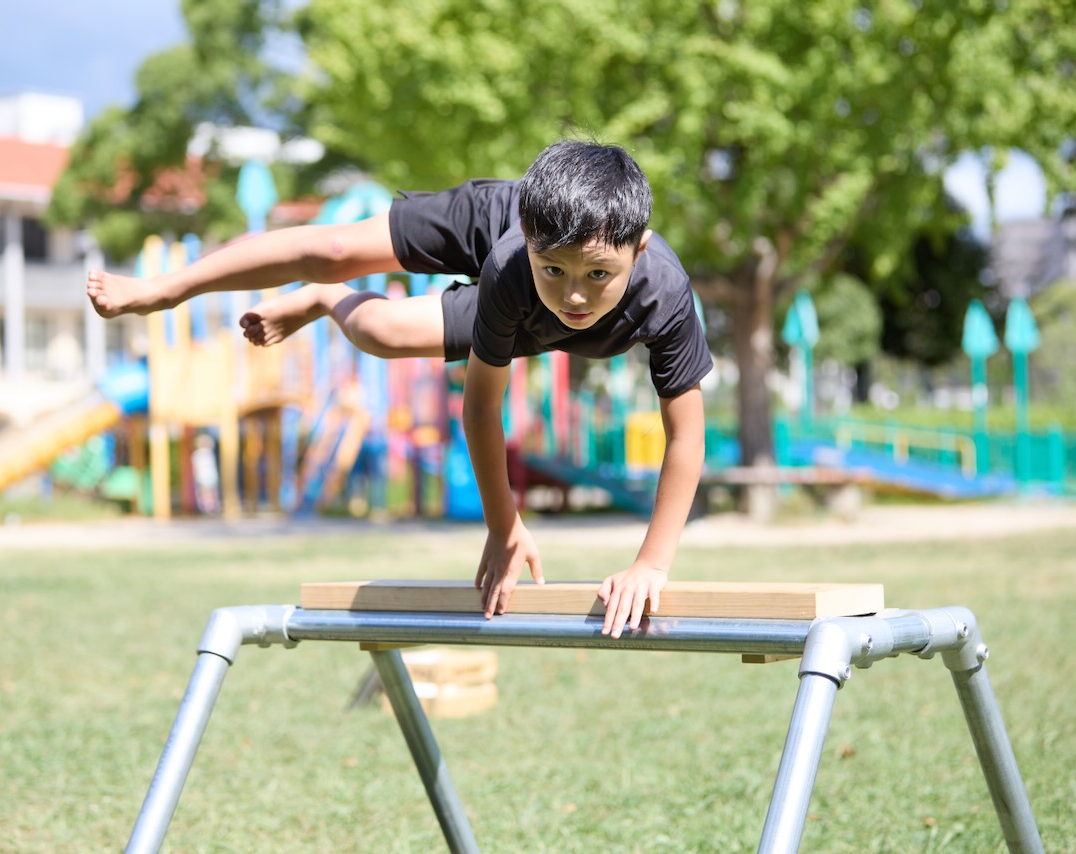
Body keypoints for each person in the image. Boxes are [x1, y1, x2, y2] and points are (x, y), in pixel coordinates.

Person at [86, 139, 712, 639]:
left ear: (639, 248)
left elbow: (684, 435)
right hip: (504, 265)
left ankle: (325, 303)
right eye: (559, 270)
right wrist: (504, 523)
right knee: (336, 256)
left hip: (530, 297)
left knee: (381, 330)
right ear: (530, 242)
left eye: (598, 274)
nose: (576, 293)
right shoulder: (513, 263)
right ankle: (175, 287)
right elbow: (483, 403)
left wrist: (650, 563)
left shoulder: (664, 294)